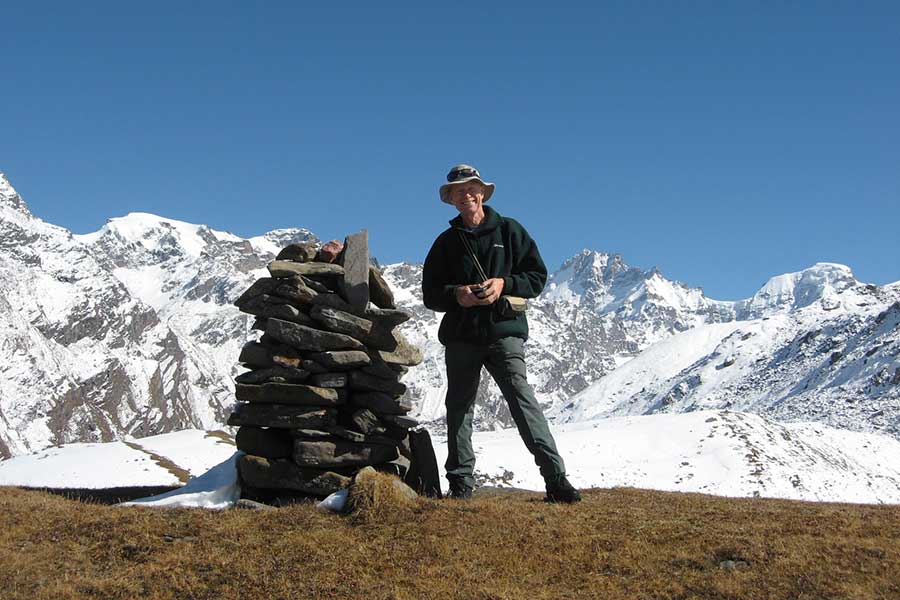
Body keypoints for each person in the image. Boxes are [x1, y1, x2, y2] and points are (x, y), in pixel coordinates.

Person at [422, 164, 581, 503]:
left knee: (522, 402)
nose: (466, 194)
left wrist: (503, 284)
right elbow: (430, 294)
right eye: (458, 190)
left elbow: (536, 278)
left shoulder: (510, 231)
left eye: (471, 187)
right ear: (450, 200)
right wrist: (457, 295)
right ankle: (461, 484)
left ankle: (556, 480)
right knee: (459, 407)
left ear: (482, 192)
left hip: (502, 332)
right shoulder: (445, 243)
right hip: (462, 335)